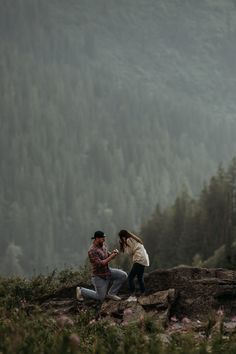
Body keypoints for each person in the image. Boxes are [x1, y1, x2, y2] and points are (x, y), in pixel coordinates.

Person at [76, 230, 127, 302]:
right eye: (102, 238)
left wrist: (113, 253)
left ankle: (111, 294)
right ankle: (81, 290)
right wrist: (111, 257)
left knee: (123, 275)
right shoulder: (92, 251)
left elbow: (107, 255)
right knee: (100, 297)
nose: (104, 239)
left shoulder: (103, 245)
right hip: (99, 276)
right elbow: (101, 264)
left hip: (107, 271)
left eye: (104, 237)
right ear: (97, 239)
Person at [119, 229, 149, 301]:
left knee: (130, 278)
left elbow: (129, 252)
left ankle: (133, 296)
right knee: (139, 277)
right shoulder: (133, 238)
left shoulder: (129, 240)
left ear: (122, 237)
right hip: (144, 259)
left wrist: (123, 245)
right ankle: (143, 294)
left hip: (139, 259)